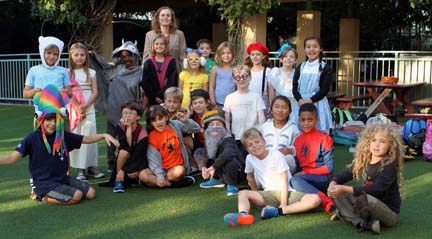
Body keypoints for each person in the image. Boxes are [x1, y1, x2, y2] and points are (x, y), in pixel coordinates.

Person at [0, 85, 119, 205]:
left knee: (91, 193)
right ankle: (40, 196)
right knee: (77, 196)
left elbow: (86, 139)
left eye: (55, 120)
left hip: (62, 179)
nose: (52, 123)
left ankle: (59, 192)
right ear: (41, 120)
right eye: (48, 120)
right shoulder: (32, 138)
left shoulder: (63, 135)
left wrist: (104, 135)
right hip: (44, 183)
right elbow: (11, 158)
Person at [223, 128, 321, 227]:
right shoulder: (250, 158)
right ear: (247, 150)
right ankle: (243, 215)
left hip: (288, 192)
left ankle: (278, 211)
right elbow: (250, 177)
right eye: (250, 145)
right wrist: (255, 193)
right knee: (242, 193)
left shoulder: (276, 155)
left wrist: (283, 203)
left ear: (264, 142)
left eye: (257, 142)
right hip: (268, 194)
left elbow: (284, 178)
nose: (255, 146)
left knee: (315, 199)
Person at [327, 123, 405, 234]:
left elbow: (376, 189)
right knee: (337, 193)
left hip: (388, 213)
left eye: (382, 141)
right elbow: (343, 175)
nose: (377, 144)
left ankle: (346, 214)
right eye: (373, 140)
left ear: (390, 145)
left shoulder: (389, 165)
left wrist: (344, 188)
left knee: (365, 199)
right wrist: (333, 184)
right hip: (365, 204)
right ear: (367, 142)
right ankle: (362, 223)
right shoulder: (364, 160)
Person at [101, 40, 143, 172]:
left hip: (129, 110)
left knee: (127, 137)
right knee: (111, 135)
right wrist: (92, 56)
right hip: (113, 107)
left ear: (135, 56)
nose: (127, 59)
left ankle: (127, 161)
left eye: (130, 55)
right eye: (124, 56)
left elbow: (143, 91)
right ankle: (110, 161)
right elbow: (102, 69)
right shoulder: (116, 70)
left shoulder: (140, 72)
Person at [67, 42, 104, 180]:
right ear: (71, 56)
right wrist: (77, 107)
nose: (79, 57)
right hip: (74, 108)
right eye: (76, 55)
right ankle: (80, 169)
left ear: (86, 56)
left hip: (89, 108)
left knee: (90, 135)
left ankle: (92, 166)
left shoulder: (91, 72)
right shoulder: (68, 73)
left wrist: (86, 105)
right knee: (77, 136)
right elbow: (67, 92)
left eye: (82, 55)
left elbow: (95, 92)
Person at [139, 105, 200, 188]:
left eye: (160, 118)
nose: (158, 122)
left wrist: (186, 121)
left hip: (177, 168)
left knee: (180, 171)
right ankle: (172, 184)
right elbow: (153, 159)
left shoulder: (175, 125)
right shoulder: (152, 136)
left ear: (166, 118)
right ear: (150, 123)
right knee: (143, 175)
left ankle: (157, 183)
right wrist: (160, 175)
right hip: (161, 170)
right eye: (154, 120)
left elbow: (196, 129)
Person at [290, 103, 335, 214]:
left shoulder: (325, 138)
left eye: (310, 120)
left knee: (295, 180)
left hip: (323, 179)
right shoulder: (297, 140)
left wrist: (305, 172)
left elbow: (329, 168)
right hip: (305, 180)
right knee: (291, 180)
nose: (306, 123)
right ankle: (316, 195)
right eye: (303, 120)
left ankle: (327, 202)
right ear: (299, 120)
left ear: (317, 120)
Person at [198, 110, 246, 196]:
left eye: (218, 124)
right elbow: (203, 156)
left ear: (224, 127)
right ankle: (218, 180)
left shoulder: (228, 139)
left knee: (230, 160)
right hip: (220, 171)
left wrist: (213, 167)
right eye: (212, 125)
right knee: (207, 155)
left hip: (237, 173)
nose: (215, 127)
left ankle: (232, 185)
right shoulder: (209, 139)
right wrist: (203, 168)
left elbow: (228, 153)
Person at [223, 65, 266, 159]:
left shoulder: (256, 96)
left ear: (250, 77)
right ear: (234, 79)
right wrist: (229, 133)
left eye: (244, 76)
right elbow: (227, 119)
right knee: (240, 161)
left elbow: (261, 117)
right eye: (238, 77)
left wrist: (258, 132)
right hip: (237, 136)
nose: (241, 80)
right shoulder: (230, 98)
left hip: (252, 137)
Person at [292, 36, 333, 133]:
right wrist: (300, 100)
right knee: (299, 132)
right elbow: (294, 87)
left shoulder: (325, 67)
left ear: (321, 49)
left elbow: (324, 90)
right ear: (305, 49)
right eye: (308, 47)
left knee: (317, 130)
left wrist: (311, 100)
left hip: (317, 103)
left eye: (315, 46)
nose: (311, 49)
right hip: (300, 103)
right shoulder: (301, 67)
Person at [23, 36, 74, 107]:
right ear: (42, 53)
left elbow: (70, 94)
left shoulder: (63, 71)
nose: (52, 56)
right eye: (48, 53)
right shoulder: (33, 70)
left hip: (59, 112)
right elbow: (25, 95)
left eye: (55, 54)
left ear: (59, 55)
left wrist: (65, 92)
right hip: (41, 113)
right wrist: (35, 91)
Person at [259, 95, 300, 175]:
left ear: (290, 111)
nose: (280, 110)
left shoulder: (293, 128)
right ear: (271, 110)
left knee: (289, 159)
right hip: (266, 162)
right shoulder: (264, 127)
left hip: (283, 163)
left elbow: (298, 149)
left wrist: (290, 150)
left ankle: (274, 180)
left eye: (284, 107)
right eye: (276, 107)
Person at [142, 6, 186, 72]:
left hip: (174, 73)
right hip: (154, 73)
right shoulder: (149, 35)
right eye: (162, 15)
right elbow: (146, 57)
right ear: (158, 18)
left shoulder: (179, 34)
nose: (165, 17)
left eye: (168, 15)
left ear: (172, 19)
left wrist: (184, 75)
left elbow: (182, 57)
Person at [141, 34, 178, 107]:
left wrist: (163, 96)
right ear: (153, 46)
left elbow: (172, 80)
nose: (159, 46)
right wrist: (154, 97)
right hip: (152, 99)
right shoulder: (148, 63)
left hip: (168, 98)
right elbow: (145, 82)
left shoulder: (171, 61)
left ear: (166, 46)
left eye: (162, 44)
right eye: (157, 44)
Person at [270, 44, 298, 121]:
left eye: (291, 57)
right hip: (280, 105)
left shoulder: (297, 73)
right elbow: (271, 90)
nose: (288, 59)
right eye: (285, 56)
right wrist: (272, 106)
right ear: (281, 59)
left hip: (294, 105)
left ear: (295, 60)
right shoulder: (276, 72)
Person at [244, 42, 274, 109]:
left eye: (258, 54)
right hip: (248, 102)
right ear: (250, 56)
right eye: (252, 54)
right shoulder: (247, 70)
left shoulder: (267, 71)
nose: (255, 57)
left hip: (262, 102)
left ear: (263, 56)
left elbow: (270, 89)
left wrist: (271, 105)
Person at [209, 41, 236, 109]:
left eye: (228, 53)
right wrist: (213, 102)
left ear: (233, 54)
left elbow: (237, 86)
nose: (226, 56)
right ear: (219, 55)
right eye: (223, 53)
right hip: (218, 103)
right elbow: (211, 87)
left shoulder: (235, 69)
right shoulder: (215, 69)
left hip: (232, 103)